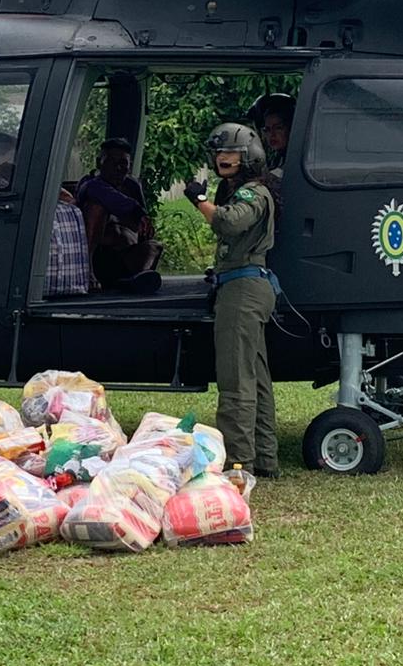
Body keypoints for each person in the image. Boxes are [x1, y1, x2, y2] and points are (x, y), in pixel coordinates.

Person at [183, 122, 280, 478]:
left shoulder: (253, 194)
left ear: (248, 157)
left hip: (243, 291)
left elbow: (228, 223)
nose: (223, 158)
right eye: (219, 152)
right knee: (256, 378)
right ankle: (264, 459)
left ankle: (239, 463)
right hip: (245, 287)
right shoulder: (244, 190)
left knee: (236, 378)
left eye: (231, 153)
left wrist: (199, 201)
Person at [74, 137, 163, 294]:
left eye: (123, 163)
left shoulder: (132, 186)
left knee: (154, 246)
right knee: (96, 207)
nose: (118, 168)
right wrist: (136, 211)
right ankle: (87, 271)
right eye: (111, 162)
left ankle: (137, 278)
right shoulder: (89, 184)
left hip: (126, 257)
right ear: (99, 163)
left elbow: (143, 228)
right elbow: (102, 192)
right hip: (99, 257)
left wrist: (141, 224)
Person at [247, 93, 295, 177]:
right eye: (267, 129)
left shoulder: (299, 157)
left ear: (291, 128)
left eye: (278, 128)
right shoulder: (276, 158)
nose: (272, 134)